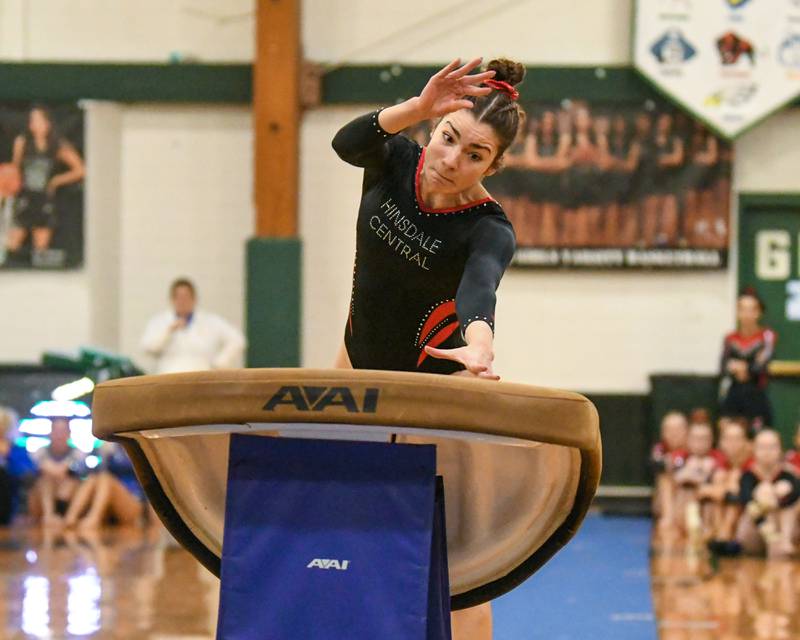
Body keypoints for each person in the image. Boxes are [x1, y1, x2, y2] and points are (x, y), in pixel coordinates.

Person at [332, 56, 521, 639]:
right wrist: (414, 106)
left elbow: (479, 291)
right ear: (433, 127)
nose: (451, 161)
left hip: (432, 387)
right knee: (340, 534)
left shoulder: (488, 226)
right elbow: (346, 141)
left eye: (475, 155)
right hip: (354, 364)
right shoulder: (394, 159)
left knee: (458, 562)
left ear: (497, 163)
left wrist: (481, 345)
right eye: (448, 138)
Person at [4, 105, 84, 261]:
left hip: (44, 200)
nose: (34, 123)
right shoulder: (22, 142)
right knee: (12, 246)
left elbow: (80, 170)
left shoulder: (58, 145)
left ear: (47, 123)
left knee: (40, 252)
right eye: (32, 120)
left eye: (38, 119)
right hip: (24, 198)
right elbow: (15, 169)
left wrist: (56, 181)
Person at [140, 278, 246, 374]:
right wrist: (169, 331)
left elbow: (237, 340)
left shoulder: (211, 321)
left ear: (194, 299)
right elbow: (148, 348)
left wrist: (220, 363)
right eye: (178, 297)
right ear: (172, 300)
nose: (182, 302)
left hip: (201, 377)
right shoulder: (159, 322)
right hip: (168, 377)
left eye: (186, 297)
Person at [736, 430, 800, 558]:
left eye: (772, 447)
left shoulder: (789, 473)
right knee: (764, 491)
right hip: (757, 527)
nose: (767, 452)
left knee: (782, 490)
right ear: (753, 449)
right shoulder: (748, 476)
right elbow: (747, 500)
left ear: (780, 449)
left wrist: (777, 501)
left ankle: (783, 545)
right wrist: (769, 532)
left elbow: (795, 496)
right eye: (762, 447)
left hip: (784, 527)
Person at [719, 290, 776, 431]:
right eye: (742, 309)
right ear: (737, 312)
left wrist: (742, 367)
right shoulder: (730, 338)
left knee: (758, 434)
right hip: (734, 394)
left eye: (751, 310)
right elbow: (723, 367)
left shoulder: (767, 336)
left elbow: (760, 366)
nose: (747, 314)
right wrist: (745, 367)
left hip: (756, 395)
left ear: (759, 313)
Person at [28, 417, 92, 528]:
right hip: (43, 499)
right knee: (46, 480)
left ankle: (65, 515)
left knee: (71, 481)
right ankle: (49, 515)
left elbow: (79, 474)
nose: (59, 435)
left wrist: (59, 470)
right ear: (50, 433)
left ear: (69, 434)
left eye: (63, 431)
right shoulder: (39, 452)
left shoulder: (78, 453)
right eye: (56, 431)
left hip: (70, 497)